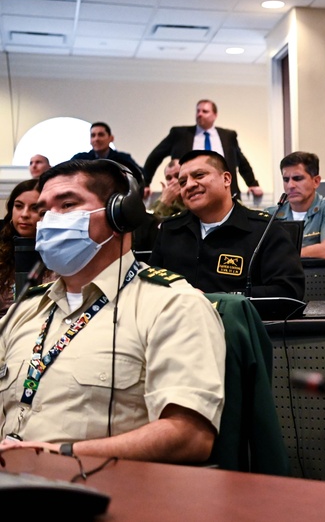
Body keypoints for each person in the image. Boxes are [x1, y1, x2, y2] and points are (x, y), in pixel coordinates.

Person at [0, 160, 225, 463]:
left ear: (121, 215)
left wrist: (59, 454)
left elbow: (188, 436)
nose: (51, 220)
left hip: (101, 492)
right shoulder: (24, 310)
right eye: (44, 211)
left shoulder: (172, 305)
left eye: (67, 204)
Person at [150, 151, 304, 300]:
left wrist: (220, 299)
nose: (189, 185)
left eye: (199, 175)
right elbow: (149, 287)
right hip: (176, 323)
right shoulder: (170, 229)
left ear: (226, 179)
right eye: (182, 182)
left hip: (237, 323)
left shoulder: (264, 230)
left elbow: (288, 291)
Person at [143, 99, 263, 199]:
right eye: (198, 111)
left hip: (227, 196)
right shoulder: (179, 134)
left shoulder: (228, 136)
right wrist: (145, 183)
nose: (200, 114)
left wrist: (252, 184)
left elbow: (241, 162)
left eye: (205, 111)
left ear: (215, 115)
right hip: (189, 198)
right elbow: (155, 156)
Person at [267, 151, 325, 259]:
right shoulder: (271, 214)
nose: (290, 185)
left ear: (316, 181)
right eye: (286, 180)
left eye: (298, 178)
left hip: (320, 275)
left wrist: (283, 254)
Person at [0, 180, 56, 316]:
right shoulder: (2, 249)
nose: (24, 214)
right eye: (18, 206)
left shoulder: (60, 255)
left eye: (34, 208)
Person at [71, 122, 146, 190]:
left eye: (101, 135)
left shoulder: (123, 159)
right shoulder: (80, 159)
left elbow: (141, 175)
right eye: (93, 135)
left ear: (111, 138)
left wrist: (145, 187)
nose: (96, 139)